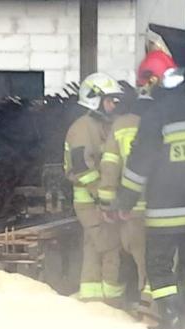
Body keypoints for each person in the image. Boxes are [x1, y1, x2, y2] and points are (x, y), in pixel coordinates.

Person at [115, 67, 185, 329]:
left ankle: (171, 322)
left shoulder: (155, 116)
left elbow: (139, 164)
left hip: (164, 211)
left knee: (160, 266)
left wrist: (125, 202)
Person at [97, 51, 176, 308]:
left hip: (130, 212)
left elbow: (110, 166)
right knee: (162, 265)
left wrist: (109, 204)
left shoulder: (120, 125)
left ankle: (146, 311)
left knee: (142, 263)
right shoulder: (168, 120)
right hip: (164, 209)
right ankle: (153, 314)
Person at [64, 72, 123, 302]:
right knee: (110, 246)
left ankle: (91, 298)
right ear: (93, 98)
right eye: (109, 100)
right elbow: (82, 169)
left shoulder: (102, 126)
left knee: (93, 245)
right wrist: (103, 197)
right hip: (90, 200)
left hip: (97, 198)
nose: (113, 105)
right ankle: (111, 300)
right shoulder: (82, 128)